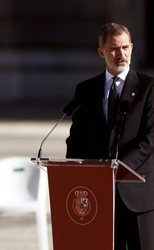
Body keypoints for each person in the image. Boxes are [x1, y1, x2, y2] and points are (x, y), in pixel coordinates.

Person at [66, 22, 154, 250]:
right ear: (101, 52)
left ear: (132, 48)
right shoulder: (86, 90)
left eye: (125, 47)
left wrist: (119, 170)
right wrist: (72, 175)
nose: (121, 54)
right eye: (114, 48)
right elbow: (77, 140)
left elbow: (150, 139)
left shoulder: (148, 87)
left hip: (137, 195)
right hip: (97, 196)